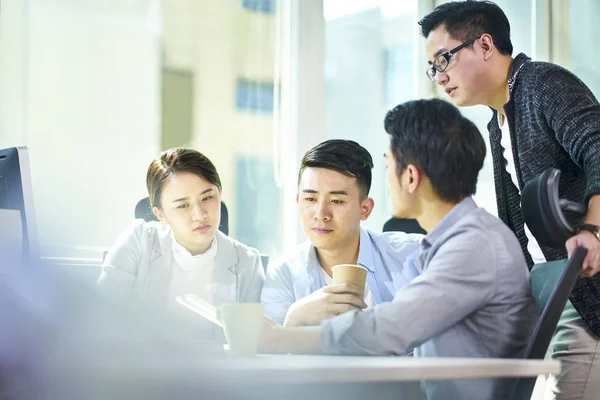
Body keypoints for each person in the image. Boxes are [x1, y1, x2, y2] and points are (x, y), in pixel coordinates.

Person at [260, 99, 538, 400]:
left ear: (410, 177)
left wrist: (280, 337)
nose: (387, 180)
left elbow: (389, 329)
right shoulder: (457, 241)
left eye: (388, 165)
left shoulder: (474, 245)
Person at [419, 2, 600, 398]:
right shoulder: (498, 121)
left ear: (484, 45)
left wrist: (593, 229)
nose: (440, 76)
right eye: (432, 69)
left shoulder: (541, 84)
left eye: (443, 59)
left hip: (585, 292)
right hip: (557, 293)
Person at [97, 147, 265, 341]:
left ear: (220, 192)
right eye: (183, 205)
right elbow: (103, 317)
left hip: (216, 370)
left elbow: (251, 342)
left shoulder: (247, 263)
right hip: (145, 368)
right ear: (160, 214)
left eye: (207, 197)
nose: (200, 214)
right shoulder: (139, 240)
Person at [261, 139, 422, 326]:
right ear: (298, 201)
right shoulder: (282, 274)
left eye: (336, 201)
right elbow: (273, 350)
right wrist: (294, 319)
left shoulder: (413, 256)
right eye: (310, 198)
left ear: (365, 209)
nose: (321, 214)